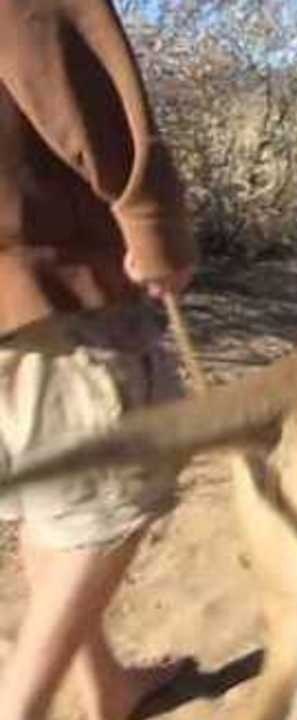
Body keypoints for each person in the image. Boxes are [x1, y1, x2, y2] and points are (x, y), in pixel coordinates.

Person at [0, 0, 198, 717]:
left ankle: (103, 685)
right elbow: (84, 90)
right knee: (113, 505)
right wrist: (155, 230)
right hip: (54, 290)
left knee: (48, 498)